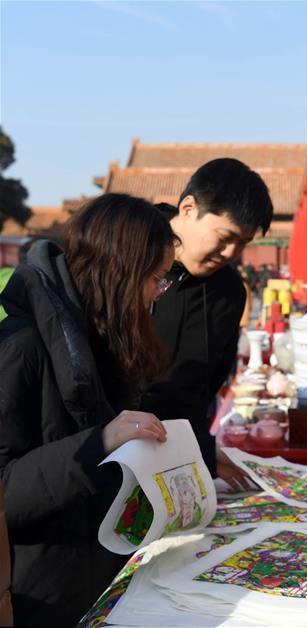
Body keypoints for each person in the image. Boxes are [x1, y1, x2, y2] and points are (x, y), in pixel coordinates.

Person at [0, 194, 174, 625]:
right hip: (39, 595)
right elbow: (4, 491)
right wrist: (99, 442)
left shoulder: (103, 337)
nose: (159, 294)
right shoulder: (20, 348)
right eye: (157, 278)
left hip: (97, 577)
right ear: (119, 273)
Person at [141, 159, 273, 490]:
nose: (231, 252)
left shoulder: (228, 292)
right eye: (225, 236)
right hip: (109, 457)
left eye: (243, 243)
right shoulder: (128, 262)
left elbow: (203, 391)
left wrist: (203, 452)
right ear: (188, 208)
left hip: (177, 466)